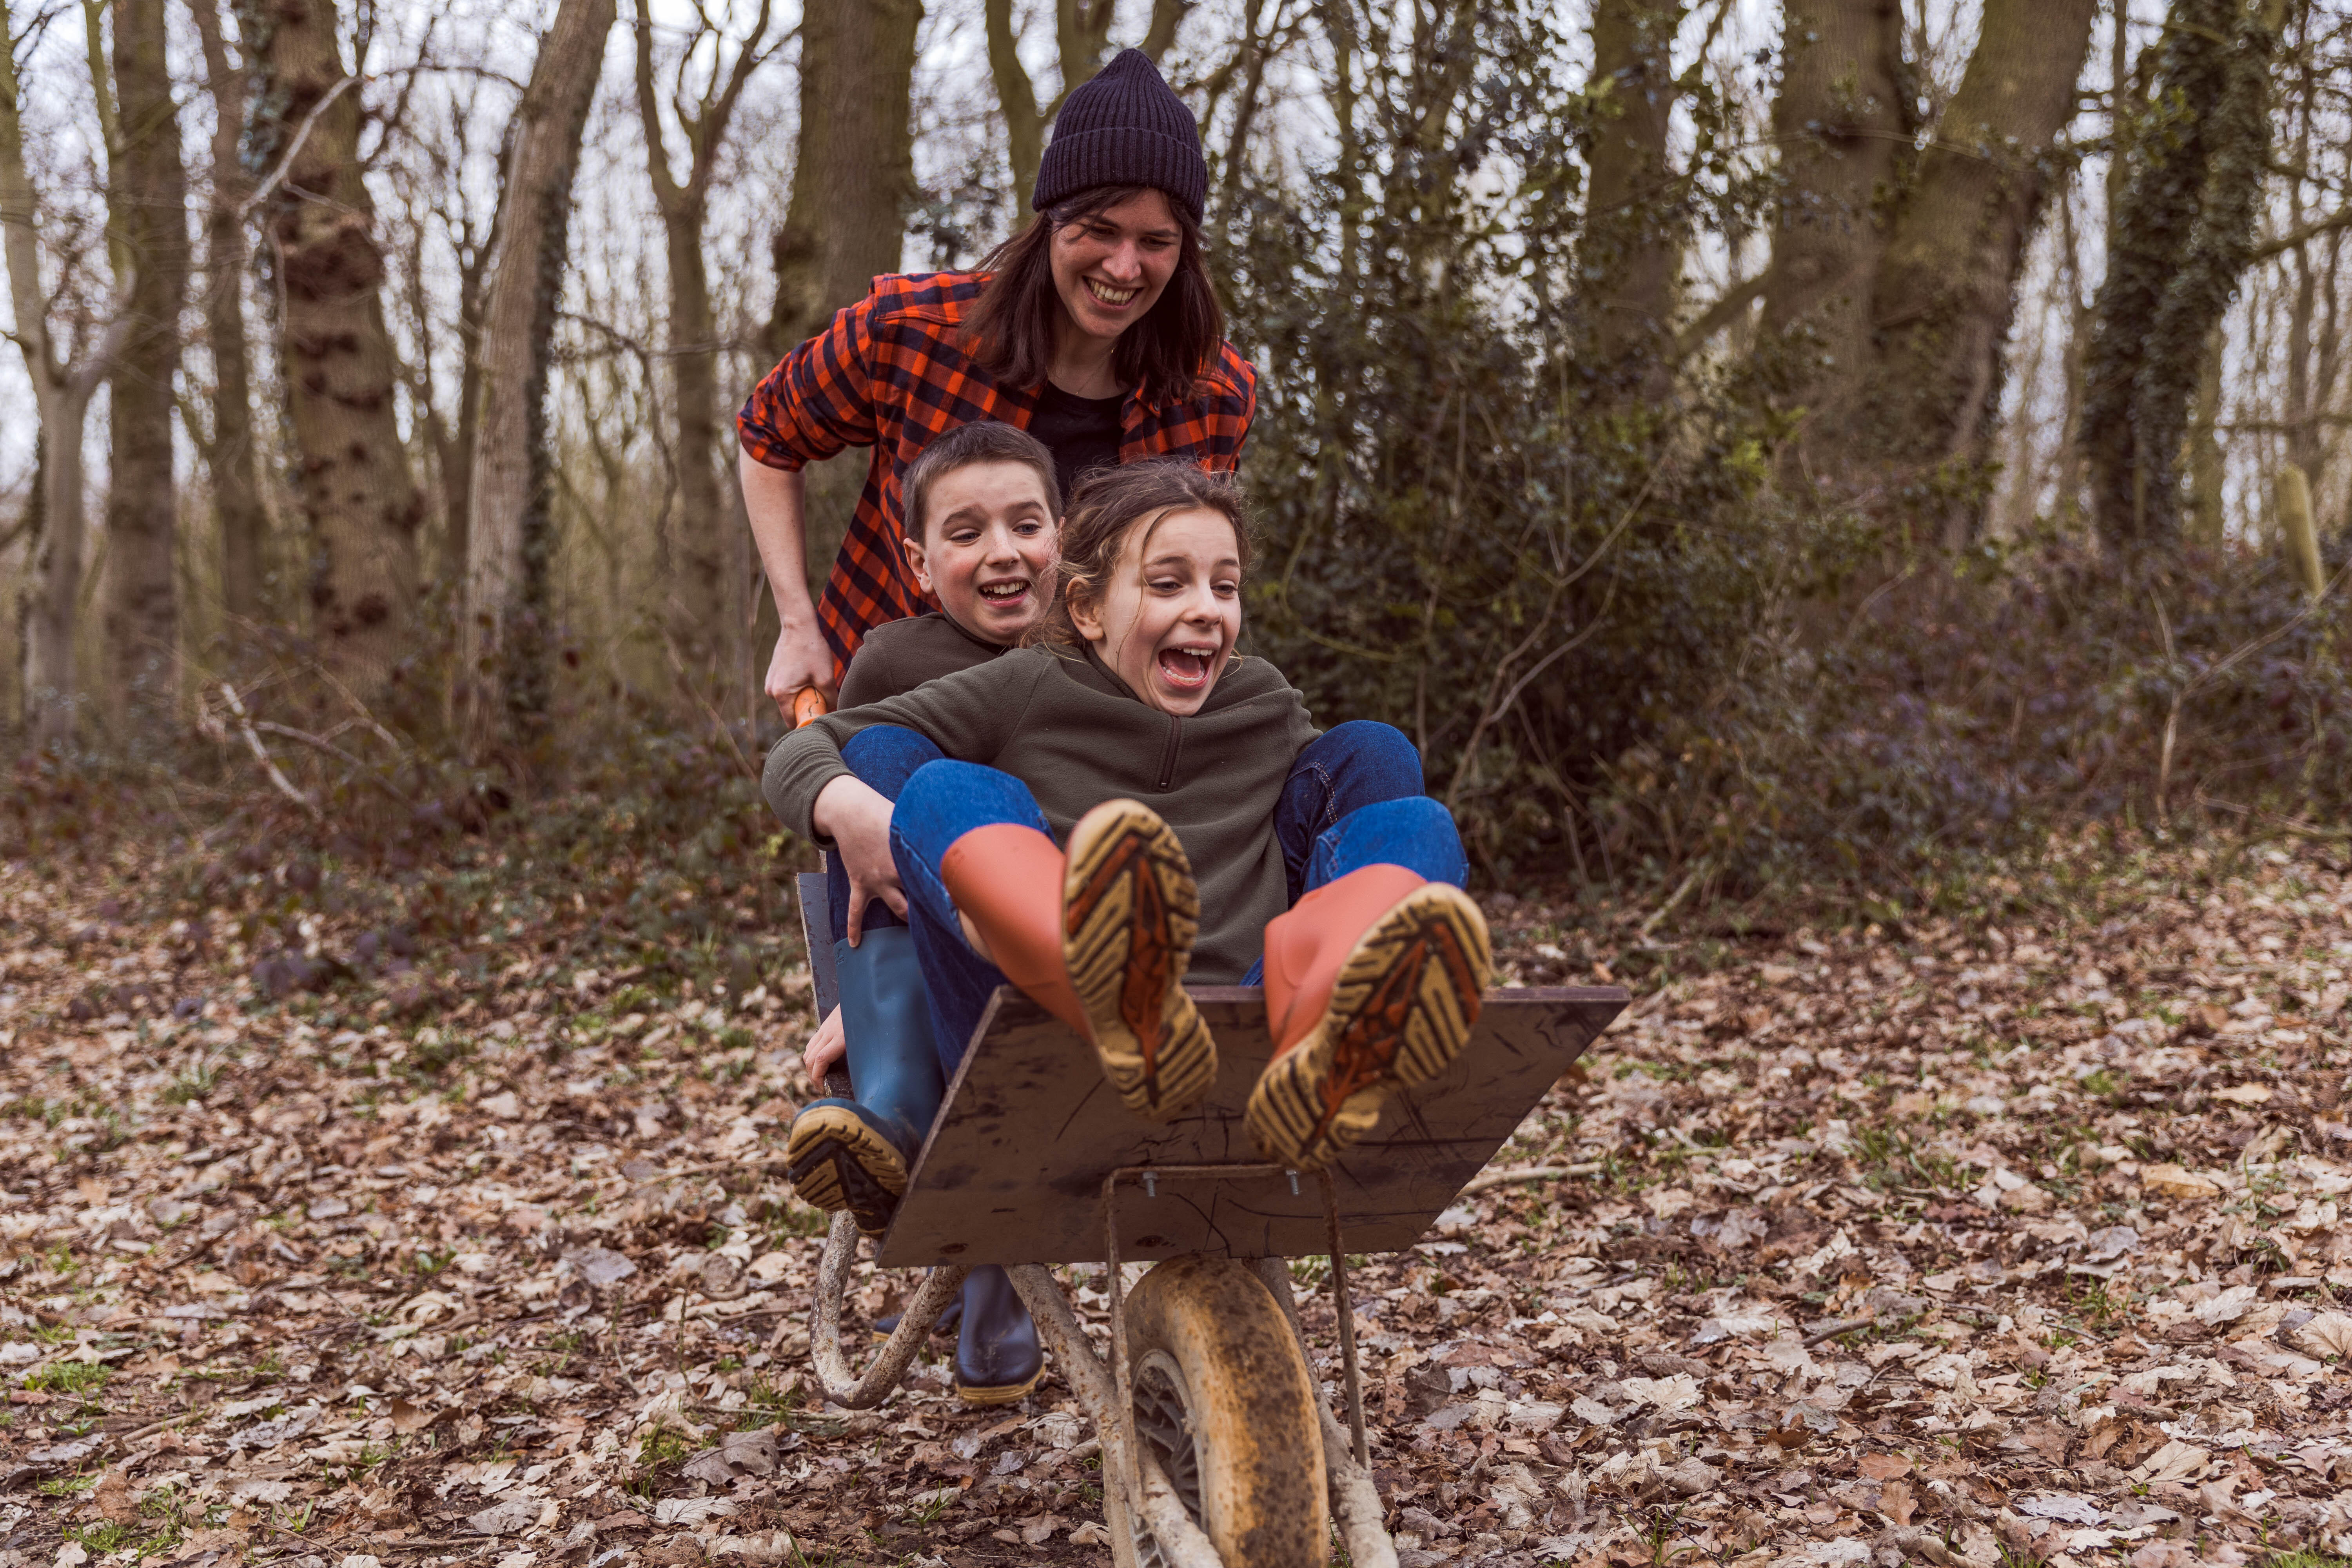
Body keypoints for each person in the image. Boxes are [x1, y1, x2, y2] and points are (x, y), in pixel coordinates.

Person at [764, 458, 1494, 1188]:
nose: (1208, 608)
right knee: (939, 785)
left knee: (1390, 775)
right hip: (1041, 1046)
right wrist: (852, 808)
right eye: (1168, 583)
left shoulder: (1263, 703)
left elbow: (1347, 820)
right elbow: (812, 745)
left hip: (1249, 1037)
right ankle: (1103, 980)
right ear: (1087, 610)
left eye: (1226, 586)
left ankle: (1334, 1017)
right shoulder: (1028, 687)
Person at [737, 47, 1256, 722]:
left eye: (1156, 241)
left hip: (1089, 742)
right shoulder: (911, 331)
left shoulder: (1213, 396)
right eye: (1100, 230)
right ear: (1051, 223)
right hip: (896, 716)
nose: (1124, 267)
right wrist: (797, 623)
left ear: (1185, 249)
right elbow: (767, 434)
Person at [785, 421, 1064, 1407]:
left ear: (1064, 537)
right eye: (967, 530)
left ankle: (991, 1289)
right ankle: (896, 1109)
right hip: (929, 950)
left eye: (1027, 523)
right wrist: (861, 1006)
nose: (1002, 551)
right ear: (917, 559)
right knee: (878, 781)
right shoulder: (894, 659)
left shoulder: (1095, 654)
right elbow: (850, 863)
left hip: (1056, 943)